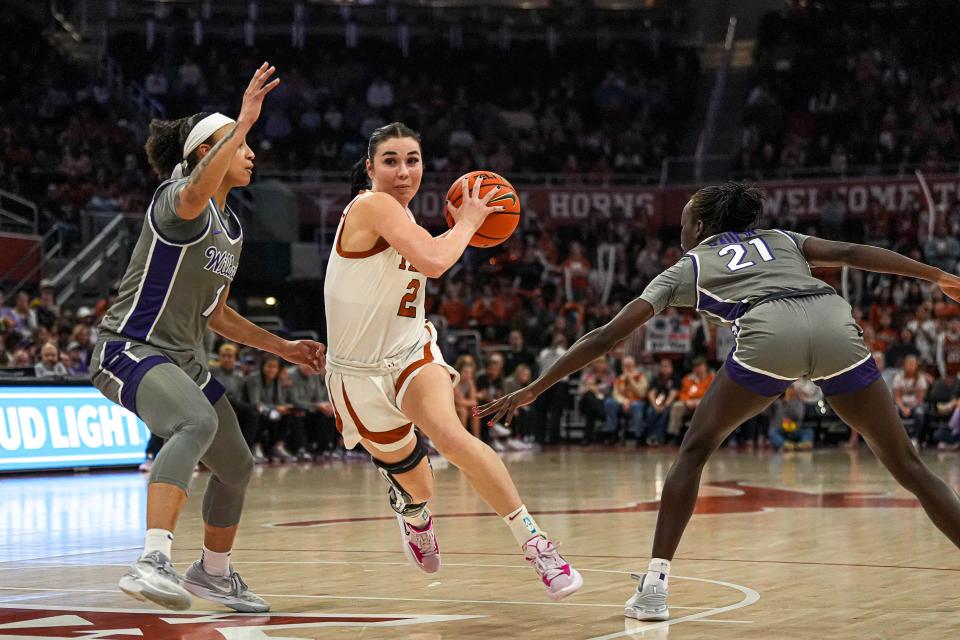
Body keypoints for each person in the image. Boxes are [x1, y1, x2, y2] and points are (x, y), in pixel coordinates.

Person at [479, 181, 960, 620]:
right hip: (833, 319)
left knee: (694, 451)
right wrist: (935, 275)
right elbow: (853, 251)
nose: (682, 227)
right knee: (910, 466)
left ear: (701, 226)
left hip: (769, 332)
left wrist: (533, 389)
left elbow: (606, 337)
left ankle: (654, 588)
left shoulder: (686, 267)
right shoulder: (782, 239)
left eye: (686, 218)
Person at [88, 63, 324, 613]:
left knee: (238, 463)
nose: (249, 150)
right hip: (129, 347)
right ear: (201, 154)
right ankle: (152, 559)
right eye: (236, 143)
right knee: (195, 421)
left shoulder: (231, 228)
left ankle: (212, 573)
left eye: (247, 142)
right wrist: (242, 119)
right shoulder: (177, 197)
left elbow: (217, 314)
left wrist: (283, 348)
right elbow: (195, 189)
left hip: (183, 361)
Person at [322, 122, 580, 599]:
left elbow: (436, 258)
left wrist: (465, 228)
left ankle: (536, 544)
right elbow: (438, 260)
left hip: (409, 352)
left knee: (451, 436)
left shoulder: (406, 221)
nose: (404, 171)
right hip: (356, 376)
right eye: (392, 161)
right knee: (419, 485)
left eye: (413, 160)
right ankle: (413, 512)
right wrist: (470, 221)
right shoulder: (371, 205)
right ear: (370, 168)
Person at [604, 355, 648, 442]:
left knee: (636, 405)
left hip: (638, 403)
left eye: (630, 365)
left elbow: (641, 393)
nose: (628, 368)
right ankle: (613, 432)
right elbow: (615, 394)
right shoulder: (619, 379)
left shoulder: (641, 377)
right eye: (625, 366)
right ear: (622, 367)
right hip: (623, 404)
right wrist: (625, 402)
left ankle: (639, 436)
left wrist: (631, 379)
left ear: (634, 366)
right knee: (609, 402)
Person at [892, 354, 928, 448]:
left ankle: (915, 438)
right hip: (902, 404)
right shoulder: (898, 377)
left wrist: (911, 407)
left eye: (913, 364)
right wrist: (903, 408)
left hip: (915, 404)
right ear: (904, 365)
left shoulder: (920, 379)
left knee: (920, 413)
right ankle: (897, 438)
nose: (911, 366)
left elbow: (920, 398)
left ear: (916, 366)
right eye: (909, 363)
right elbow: (897, 397)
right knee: (893, 412)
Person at [644, 358, 679, 446]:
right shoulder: (656, 379)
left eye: (666, 366)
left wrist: (665, 406)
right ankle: (649, 436)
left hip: (668, 404)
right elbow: (651, 393)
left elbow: (673, 394)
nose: (664, 368)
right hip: (656, 404)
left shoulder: (675, 379)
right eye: (662, 366)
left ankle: (658, 437)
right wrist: (656, 406)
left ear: (671, 368)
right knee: (650, 412)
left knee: (664, 414)